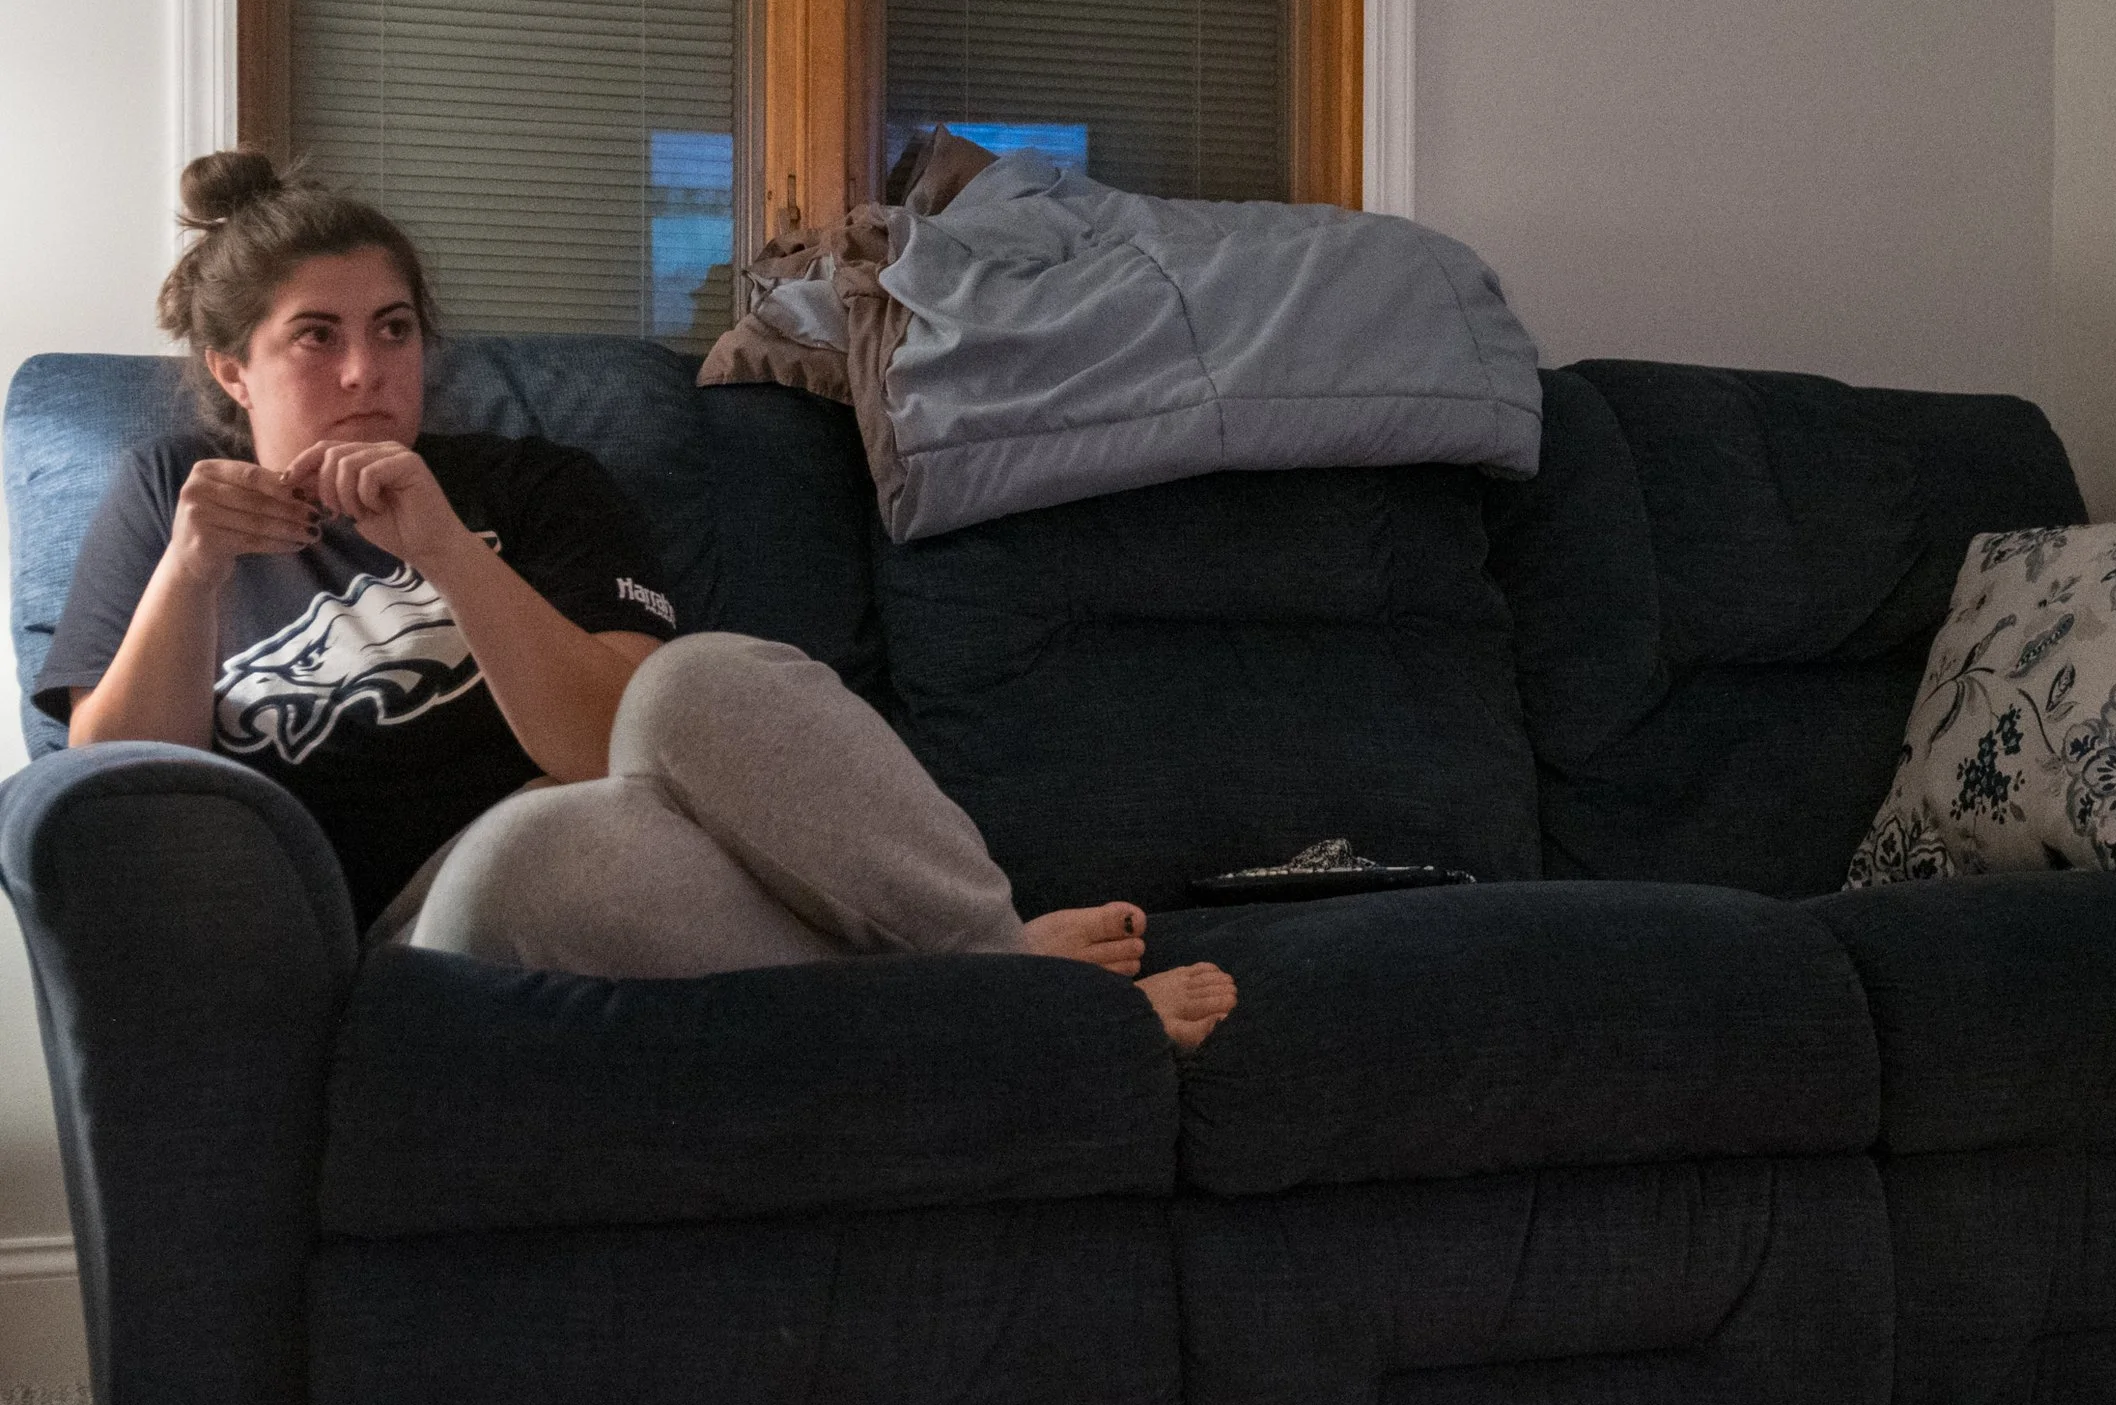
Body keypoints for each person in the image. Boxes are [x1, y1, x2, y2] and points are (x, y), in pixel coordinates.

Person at [33, 150, 1236, 1049]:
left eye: (393, 330)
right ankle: (1013, 990)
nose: (365, 370)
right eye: (316, 336)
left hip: (640, 840)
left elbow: (608, 736)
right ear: (234, 368)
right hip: (449, 917)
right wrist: (191, 571)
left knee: (698, 675)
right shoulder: (169, 498)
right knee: (531, 861)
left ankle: (991, 963)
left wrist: (446, 547)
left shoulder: (531, 483)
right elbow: (124, 784)